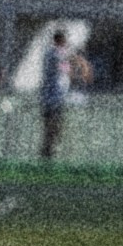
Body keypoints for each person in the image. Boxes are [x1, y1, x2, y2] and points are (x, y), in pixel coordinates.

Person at [39, 26, 91, 158]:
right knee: (51, 129)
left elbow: (68, 72)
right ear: (60, 40)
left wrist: (80, 74)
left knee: (56, 130)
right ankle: (46, 156)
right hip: (51, 99)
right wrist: (83, 65)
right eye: (64, 40)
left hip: (59, 98)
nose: (66, 43)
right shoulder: (53, 53)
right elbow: (71, 59)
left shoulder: (60, 55)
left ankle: (50, 154)